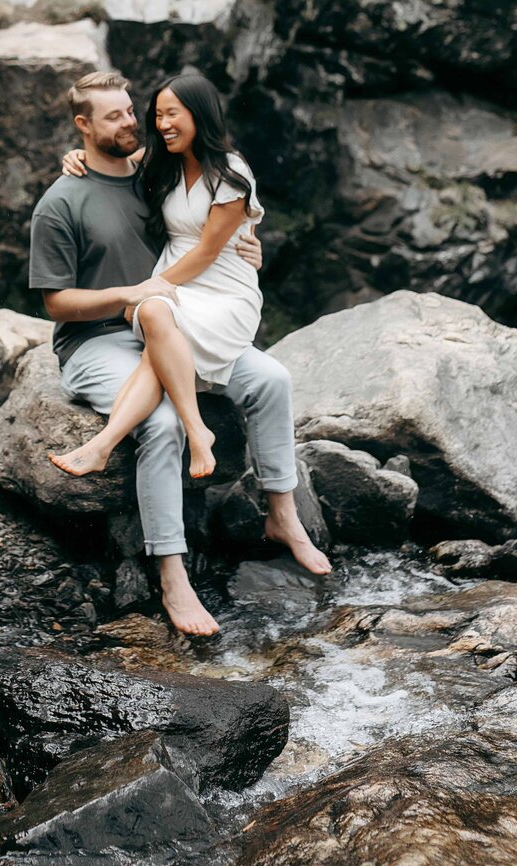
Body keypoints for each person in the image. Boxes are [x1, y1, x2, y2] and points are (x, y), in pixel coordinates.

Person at [28, 69, 330, 640]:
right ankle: (172, 572)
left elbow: (216, 218)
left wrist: (249, 241)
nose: (135, 123)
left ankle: (281, 516)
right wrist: (131, 294)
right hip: (99, 340)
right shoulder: (61, 200)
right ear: (82, 126)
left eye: (130, 111)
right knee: (162, 422)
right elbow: (55, 304)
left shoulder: (152, 172)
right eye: (114, 116)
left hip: (176, 316)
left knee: (271, 379)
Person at [49, 70, 266, 482]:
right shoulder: (162, 162)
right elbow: (110, 158)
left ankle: (113, 443)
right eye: (157, 115)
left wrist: (153, 286)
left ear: (198, 114)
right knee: (155, 334)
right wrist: (76, 155)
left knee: (151, 315)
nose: (162, 124)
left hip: (220, 290)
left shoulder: (231, 170)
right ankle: (191, 432)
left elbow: (208, 250)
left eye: (172, 114)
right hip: (181, 285)